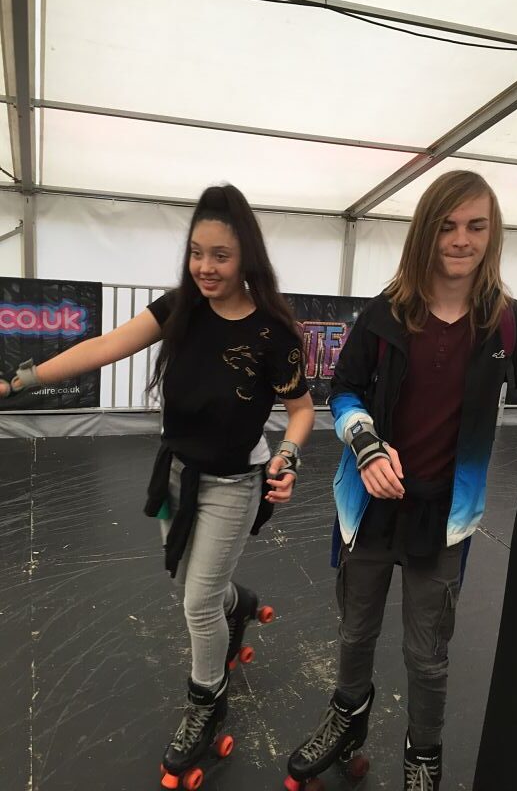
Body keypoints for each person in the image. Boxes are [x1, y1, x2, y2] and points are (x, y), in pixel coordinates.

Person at [285, 170, 517, 791]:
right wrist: (368, 446)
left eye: (475, 226)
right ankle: (348, 719)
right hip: (368, 508)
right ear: (425, 234)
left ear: (493, 233)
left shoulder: (508, 326)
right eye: (447, 226)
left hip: (445, 519)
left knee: (428, 656)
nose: (461, 240)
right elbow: (342, 392)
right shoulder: (384, 314)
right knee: (355, 631)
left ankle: (422, 755)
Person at [0, 184, 315, 785]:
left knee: (197, 602)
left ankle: (206, 703)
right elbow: (102, 347)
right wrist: (19, 383)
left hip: (232, 482)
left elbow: (300, 410)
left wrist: (291, 459)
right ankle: (240, 605)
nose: (205, 267)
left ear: (246, 255)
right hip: (176, 472)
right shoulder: (179, 307)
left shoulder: (274, 332)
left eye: (220, 255)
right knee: (191, 581)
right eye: (197, 252)